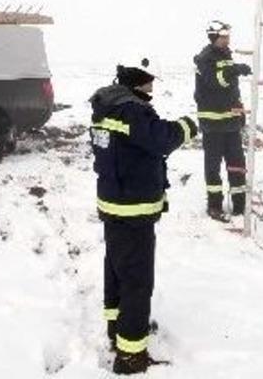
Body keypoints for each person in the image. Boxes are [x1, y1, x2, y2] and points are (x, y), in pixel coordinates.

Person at [90, 58, 198, 374]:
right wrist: (189, 126)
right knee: (137, 281)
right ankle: (131, 355)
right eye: (151, 79)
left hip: (113, 203)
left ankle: (117, 328)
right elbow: (160, 139)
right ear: (140, 79)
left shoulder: (106, 104)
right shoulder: (132, 110)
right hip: (133, 208)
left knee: (115, 268)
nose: (154, 84)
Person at [193, 21, 252, 221]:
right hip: (213, 125)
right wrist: (236, 70)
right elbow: (218, 81)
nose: (227, 39)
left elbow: (231, 90)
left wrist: (239, 109)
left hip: (230, 123)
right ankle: (214, 206)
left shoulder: (226, 56)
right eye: (223, 36)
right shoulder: (205, 59)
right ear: (213, 37)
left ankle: (239, 206)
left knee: (237, 164)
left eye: (228, 35)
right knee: (213, 167)